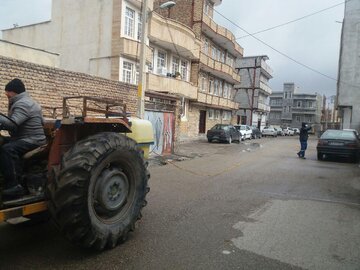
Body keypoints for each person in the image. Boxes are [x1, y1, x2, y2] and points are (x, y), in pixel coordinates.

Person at [0, 78, 46, 198]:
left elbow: (13, 124)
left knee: (8, 149)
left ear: (14, 92)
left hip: (33, 140)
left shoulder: (24, 103)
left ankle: (14, 186)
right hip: (24, 138)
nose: (7, 97)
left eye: (8, 94)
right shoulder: (27, 101)